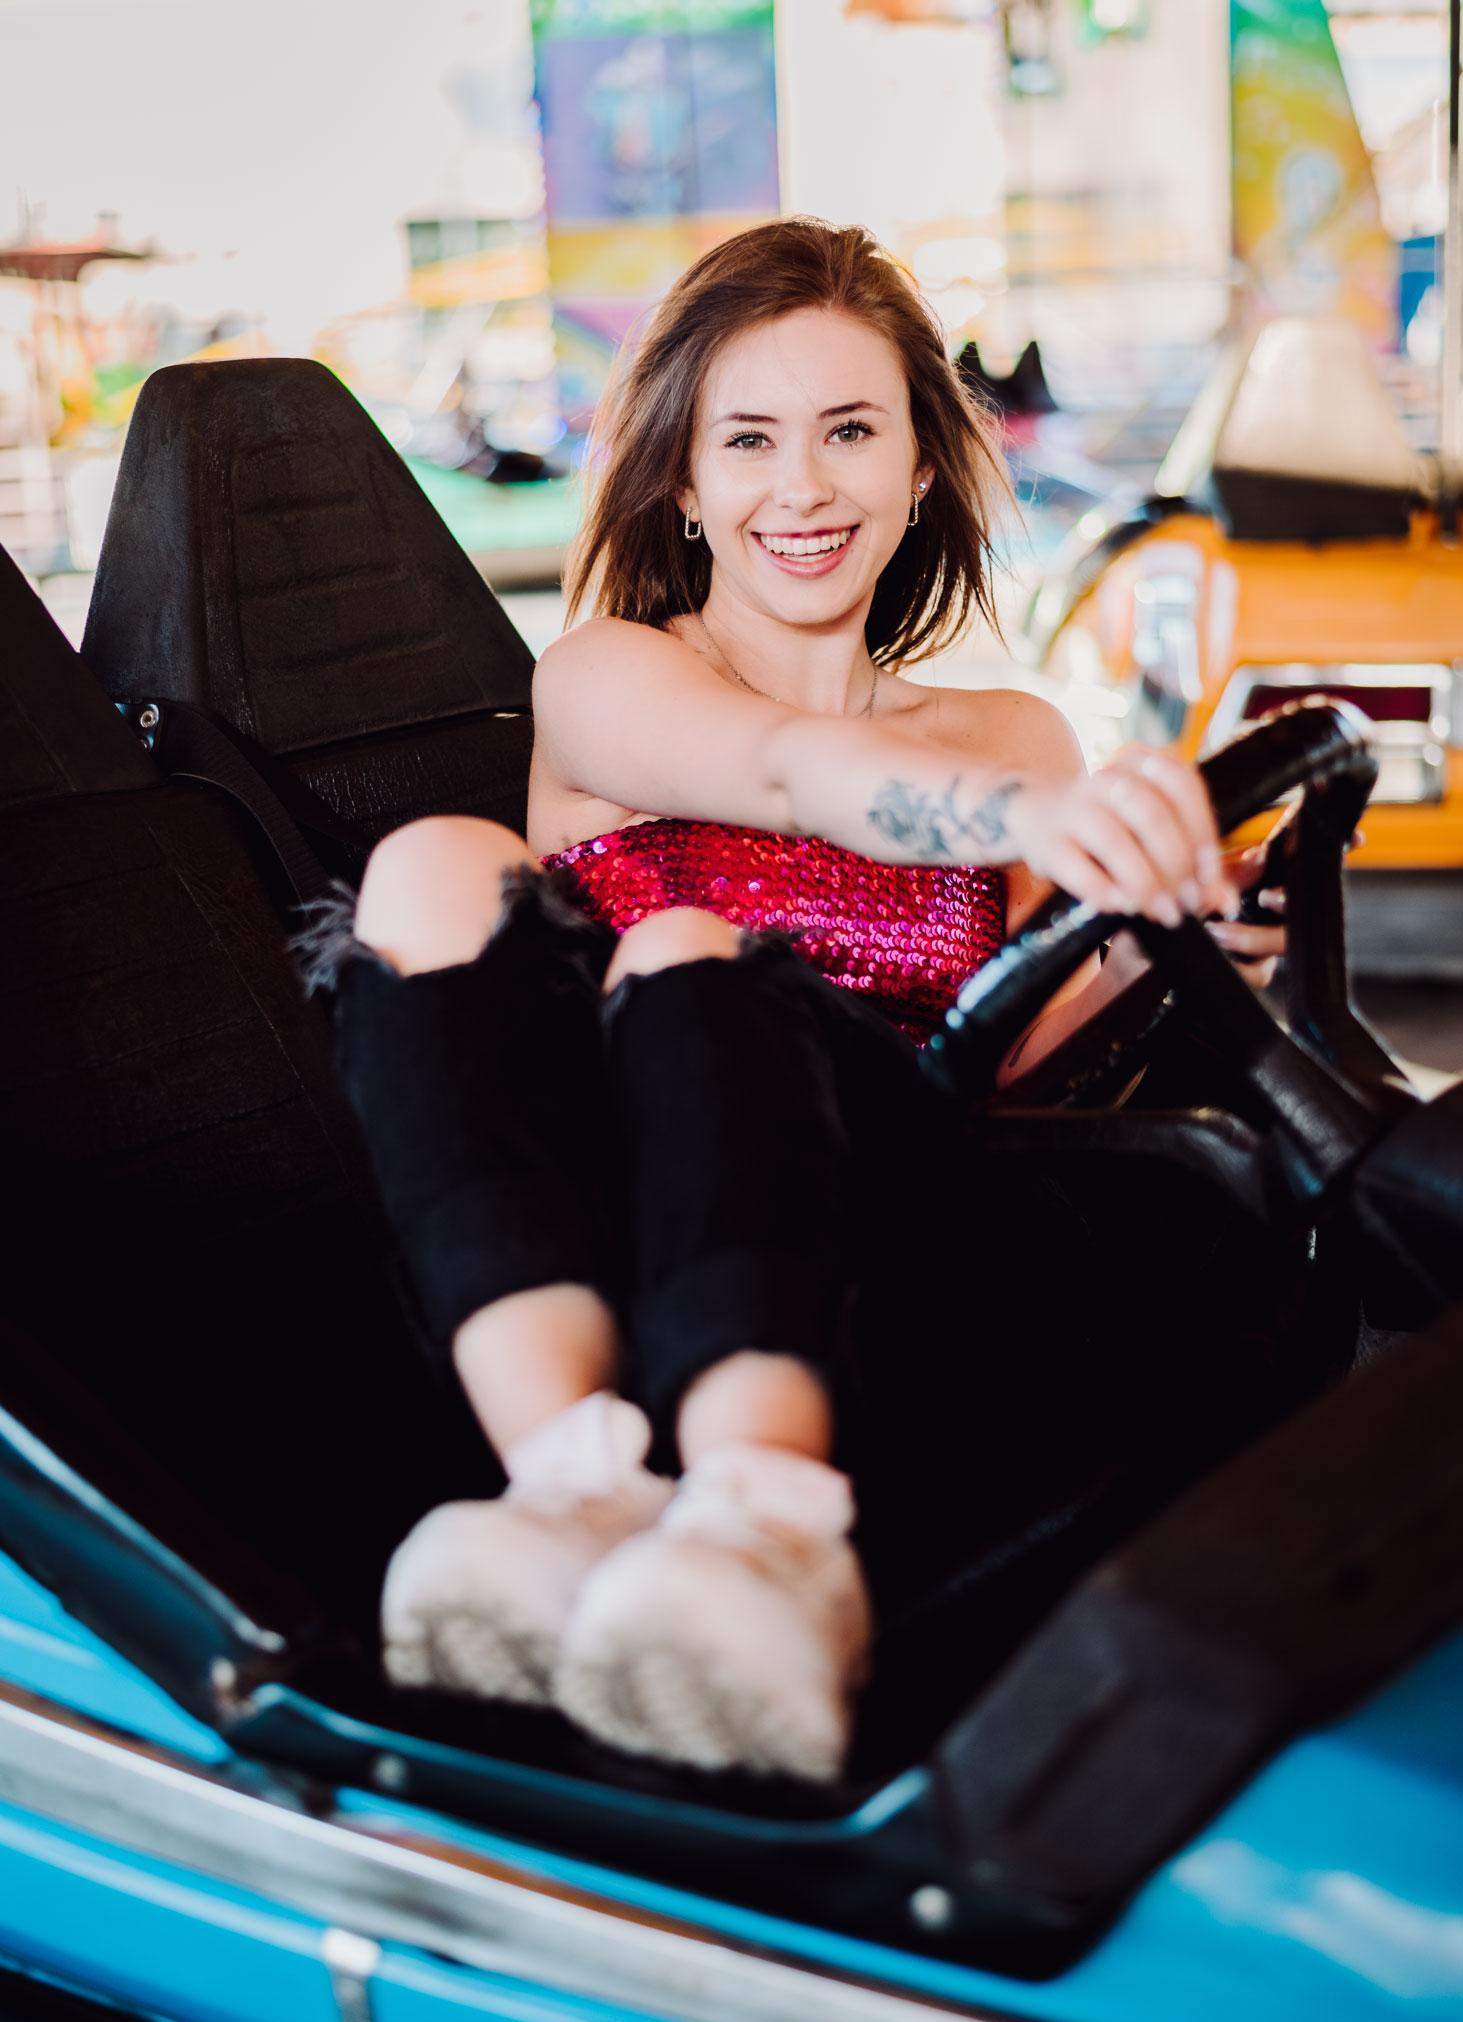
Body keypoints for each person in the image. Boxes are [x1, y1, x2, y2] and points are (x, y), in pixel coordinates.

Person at [301, 218, 1287, 1785]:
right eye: (748, 440)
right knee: (449, 871)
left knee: (687, 955)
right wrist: (1029, 821)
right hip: (609, 1232)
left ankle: (763, 1528)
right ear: (685, 485)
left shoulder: (1013, 735)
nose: (804, 488)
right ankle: (570, 1485)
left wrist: (1177, 938)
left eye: (850, 431)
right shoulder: (609, 676)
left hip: (889, 1229)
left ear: (921, 467)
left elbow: (1022, 1053)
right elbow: (784, 769)